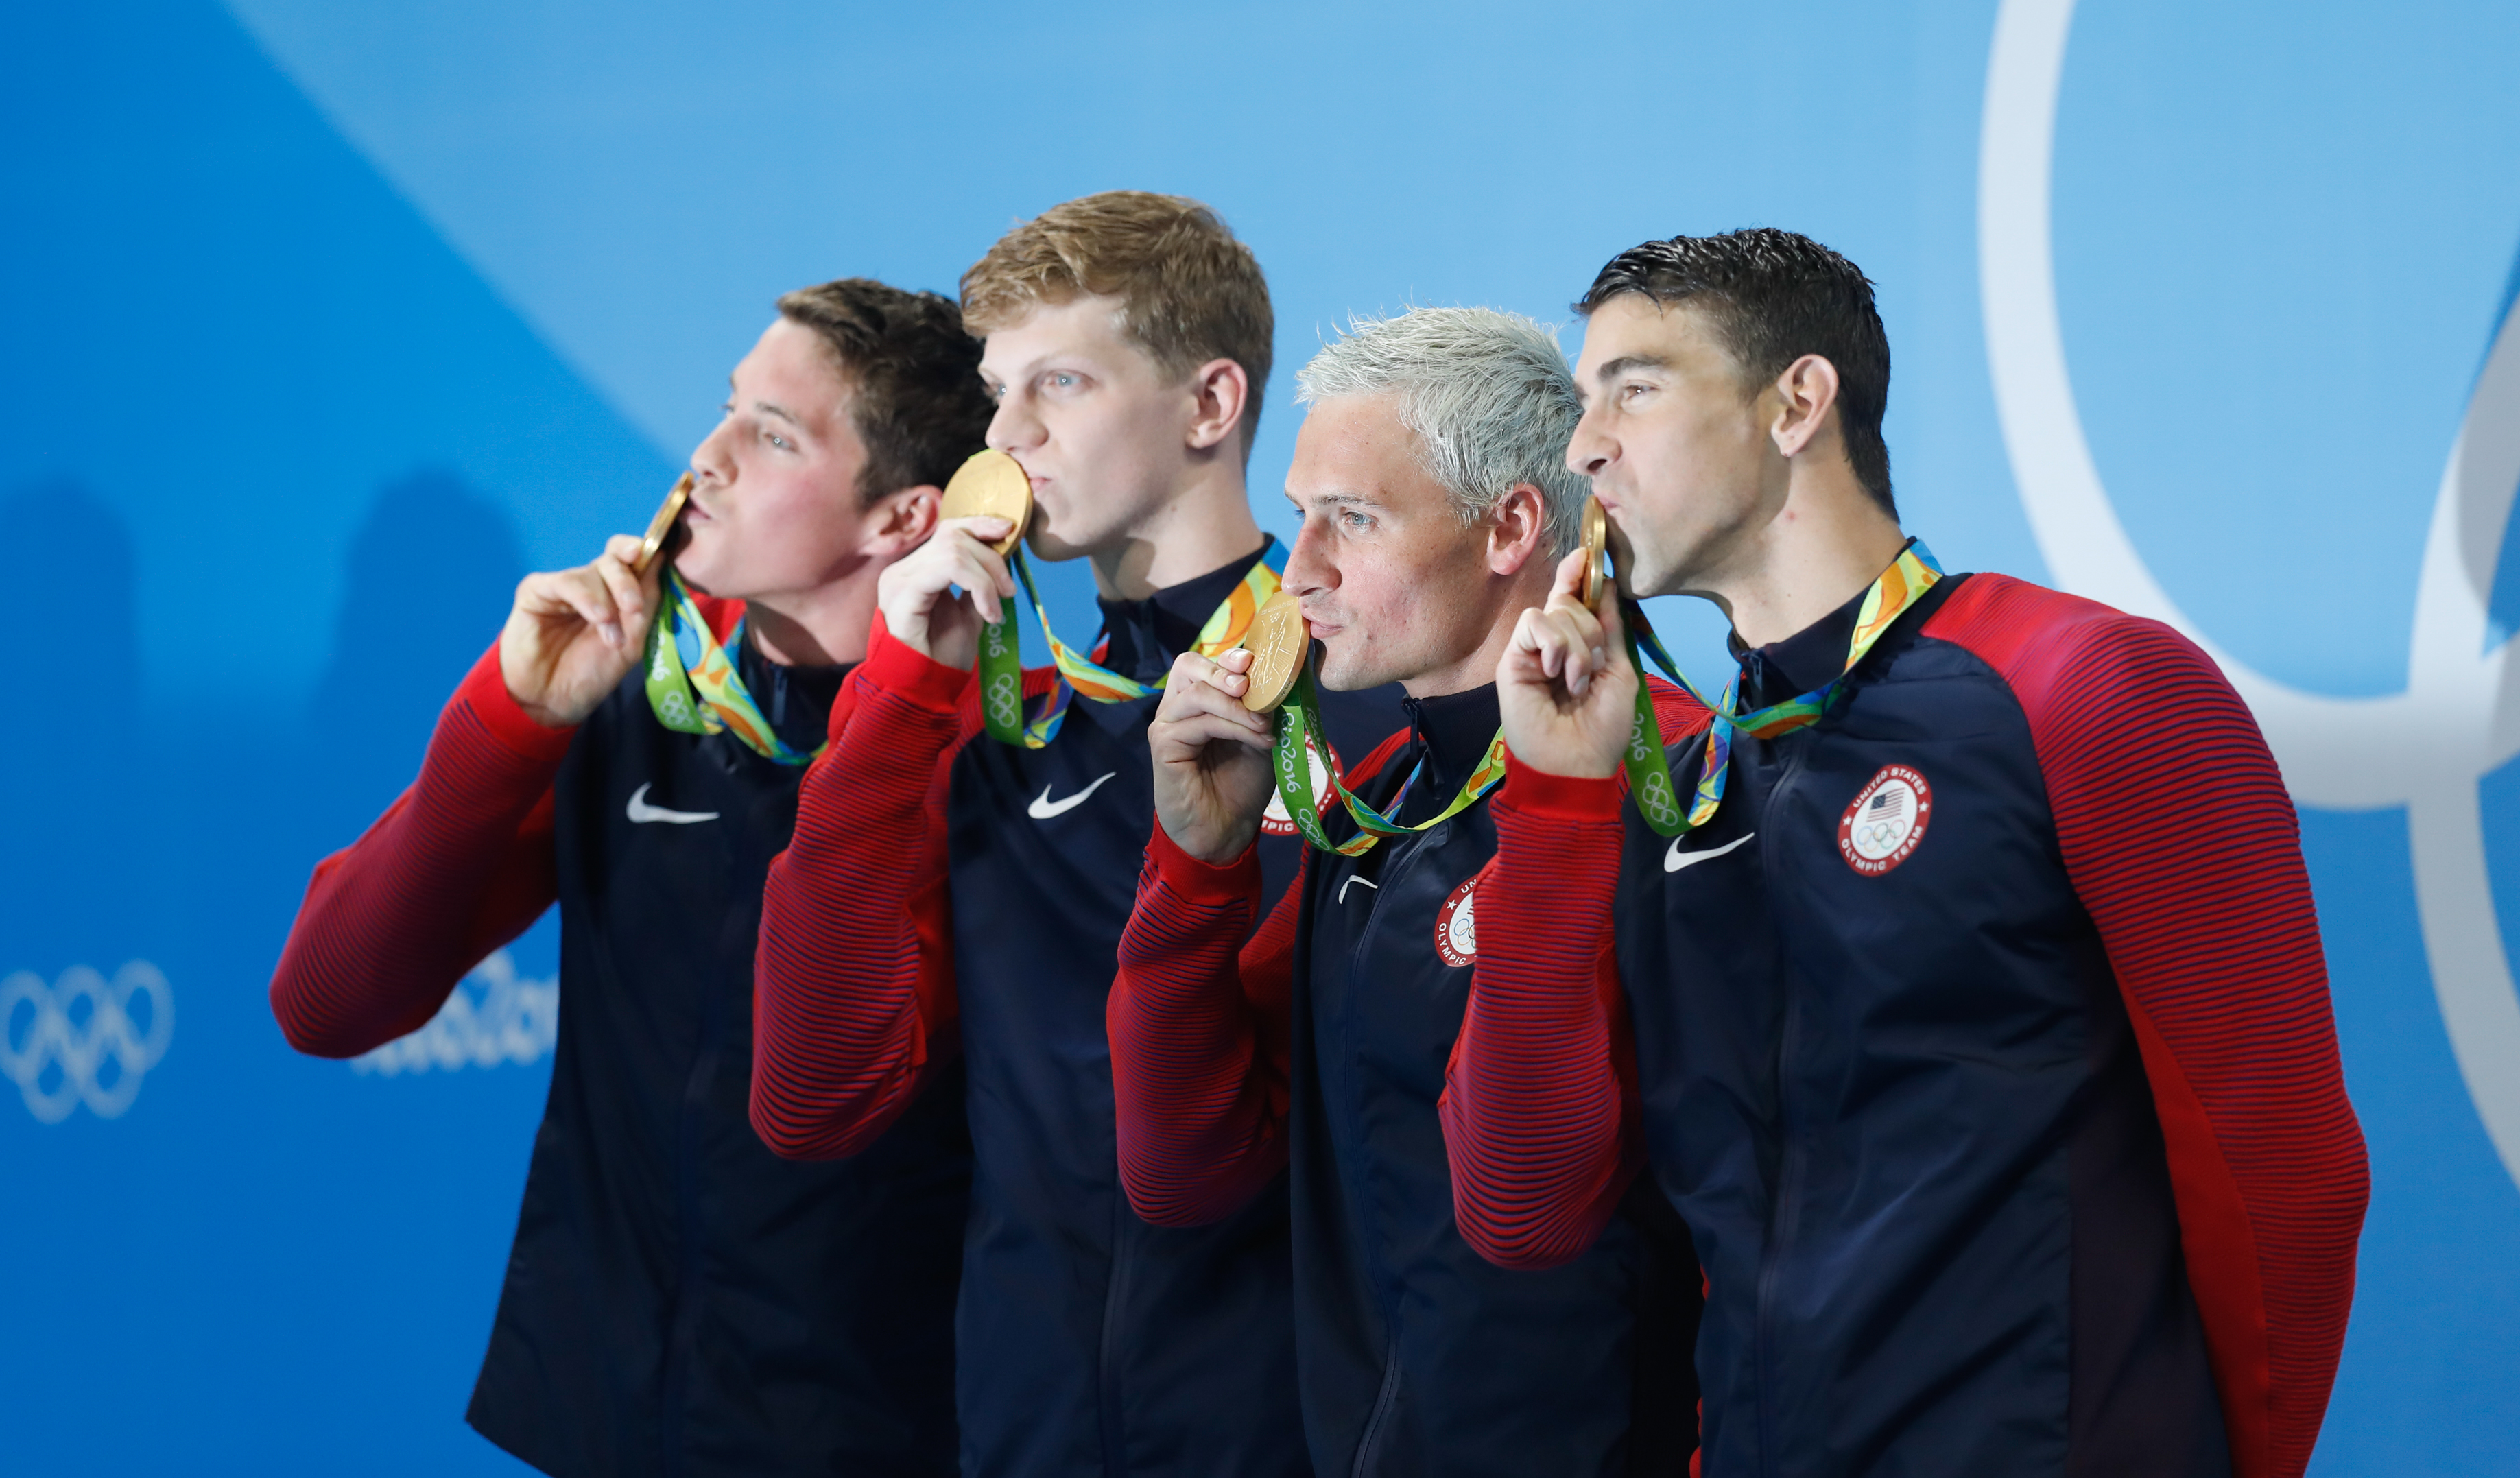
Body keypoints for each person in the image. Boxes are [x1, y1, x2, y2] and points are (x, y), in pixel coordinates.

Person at [1442, 229, 2370, 1478]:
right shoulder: (1689, 779)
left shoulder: (2083, 688)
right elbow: (1520, 1207)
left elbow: (2284, 1172)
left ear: (1796, 403)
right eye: (1582, 398)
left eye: (1634, 387)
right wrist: (1552, 803)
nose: (1583, 444)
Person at [272, 279, 991, 1478]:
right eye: (725, 409)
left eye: (772, 435)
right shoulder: (641, 692)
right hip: (597, 1410)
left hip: (870, 1427)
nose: (703, 457)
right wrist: (504, 719)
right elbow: (325, 1003)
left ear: (901, 518)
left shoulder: (989, 756)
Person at [750, 192, 1401, 1478]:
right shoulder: (993, 731)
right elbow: (810, 1099)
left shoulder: (1372, 705)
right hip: (1023, 1438)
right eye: (999, 394)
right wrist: (889, 701)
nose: (1008, 438)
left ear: (1210, 406)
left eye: (1059, 383)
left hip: (1295, 1436)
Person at [1108, 307, 1703, 1476]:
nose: (1299, 573)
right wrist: (1196, 868)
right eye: (1300, 518)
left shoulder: (1671, 784)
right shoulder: (1377, 805)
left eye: (1353, 520)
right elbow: (1184, 1169)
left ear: (1510, 527)